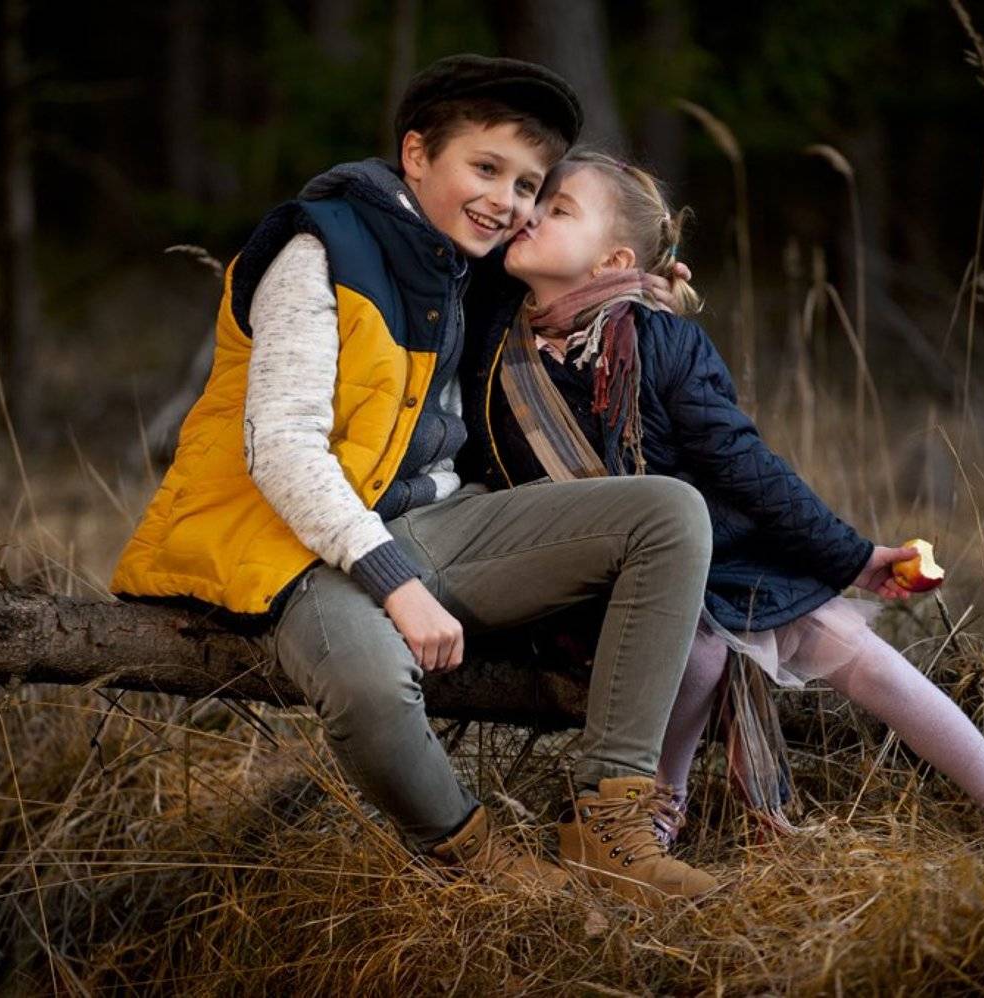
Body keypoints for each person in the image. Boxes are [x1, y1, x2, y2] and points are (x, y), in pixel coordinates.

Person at [110, 57, 726, 903]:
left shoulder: (473, 264)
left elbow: (574, 307)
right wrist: (396, 585)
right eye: (485, 168)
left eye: (528, 184)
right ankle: (479, 864)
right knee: (367, 683)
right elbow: (283, 449)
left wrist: (641, 286)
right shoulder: (318, 249)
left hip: (433, 523)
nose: (507, 202)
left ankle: (609, 827)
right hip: (288, 538)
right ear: (415, 156)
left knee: (669, 516)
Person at [465, 148, 984, 850]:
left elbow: (746, 467)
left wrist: (851, 556)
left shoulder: (662, 342)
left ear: (609, 261)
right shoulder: (492, 347)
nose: (528, 213)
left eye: (557, 209)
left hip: (726, 556)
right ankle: (655, 800)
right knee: (699, 651)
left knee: (855, 650)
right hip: (591, 584)